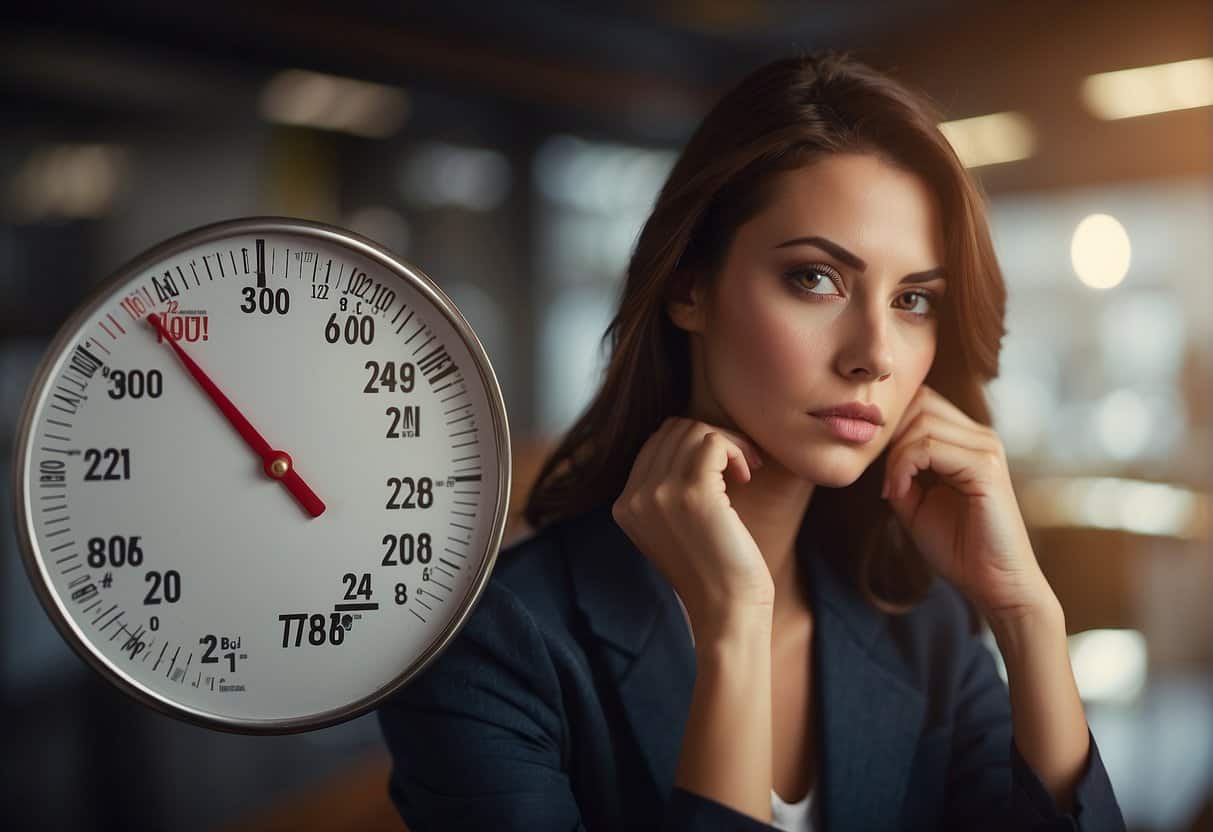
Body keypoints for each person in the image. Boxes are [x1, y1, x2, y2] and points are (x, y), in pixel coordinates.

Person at [375, 50, 1127, 831]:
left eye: (912, 299)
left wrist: (1028, 617)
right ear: (688, 287)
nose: (873, 352)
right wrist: (734, 625)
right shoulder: (493, 644)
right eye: (814, 278)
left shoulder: (921, 624)